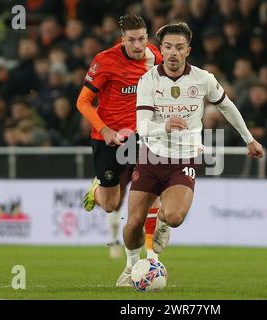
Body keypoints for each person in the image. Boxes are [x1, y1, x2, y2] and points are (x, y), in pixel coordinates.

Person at [117, 22, 264, 285]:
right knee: (133, 226)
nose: (173, 52)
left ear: (188, 50)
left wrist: (249, 139)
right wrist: (166, 125)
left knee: (174, 217)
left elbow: (227, 107)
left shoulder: (203, 79)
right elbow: (141, 127)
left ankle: (161, 223)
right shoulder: (148, 80)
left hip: (184, 158)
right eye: (168, 47)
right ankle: (130, 267)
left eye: (179, 47)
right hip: (150, 157)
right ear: (161, 49)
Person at [76, 14, 162, 263]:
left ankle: (148, 257)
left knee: (149, 192)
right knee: (112, 204)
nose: (138, 45)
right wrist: (104, 130)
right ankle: (97, 188)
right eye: (132, 40)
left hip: (140, 136)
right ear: (122, 39)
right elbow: (82, 102)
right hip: (107, 138)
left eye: (142, 39)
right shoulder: (105, 61)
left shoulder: (155, 56)